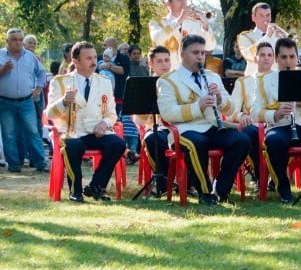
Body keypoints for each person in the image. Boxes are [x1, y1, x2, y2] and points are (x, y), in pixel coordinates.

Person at [157, 34, 249, 205]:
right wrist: (198, 106)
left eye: (202, 53)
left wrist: (220, 99)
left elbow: (230, 109)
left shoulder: (212, 76)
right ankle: (205, 192)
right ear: (181, 53)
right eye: (195, 53)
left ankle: (220, 190)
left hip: (211, 126)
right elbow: (168, 113)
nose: (200, 57)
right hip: (185, 129)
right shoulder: (168, 80)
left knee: (242, 140)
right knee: (196, 143)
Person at [252, 37, 301, 204]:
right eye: (283, 57)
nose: (288, 61)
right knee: (273, 142)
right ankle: (284, 189)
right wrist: (275, 114)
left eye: (292, 57)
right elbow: (254, 113)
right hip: (279, 125)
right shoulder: (264, 80)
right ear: (276, 58)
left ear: (297, 57)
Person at [45, 41, 125, 201]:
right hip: (72, 132)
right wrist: (63, 102)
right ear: (75, 61)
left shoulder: (104, 82)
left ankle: (96, 186)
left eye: (95, 57)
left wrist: (105, 123)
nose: (94, 61)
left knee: (118, 144)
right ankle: (76, 191)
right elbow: (50, 114)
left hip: (96, 131)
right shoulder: (60, 82)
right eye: (88, 58)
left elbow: (111, 113)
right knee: (74, 146)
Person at [0, 28, 49, 173]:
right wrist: (3, 70)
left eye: (20, 40)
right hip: (5, 102)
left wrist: (39, 89)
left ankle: (40, 163)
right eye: (14, 40)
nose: (18, 43)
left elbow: (41, 73)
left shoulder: (30, 56)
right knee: (9, 134)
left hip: (27, 101)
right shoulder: (0, 55)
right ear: (7, 41)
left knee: (33, 132)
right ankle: (14, 165)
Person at [230, 41, 277, 182]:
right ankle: (260, 175)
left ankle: (274, 176)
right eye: (262, 55)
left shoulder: (280, 79)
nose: (266, 58)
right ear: (255, 59)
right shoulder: (243, 82)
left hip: (275, 123)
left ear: (274, 59)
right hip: (254, 124)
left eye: (269, 55)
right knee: (248, 133)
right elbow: (231, 111)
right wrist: (241, 115)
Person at [132, 46, 173, 189]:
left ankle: (188, 182)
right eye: (159, 61)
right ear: (151, 64)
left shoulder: (178, 82)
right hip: (156, 128)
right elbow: (138, 121)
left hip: (178, 127)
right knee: (153, 139)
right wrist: (150, 98)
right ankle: (165, 182)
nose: (164, 65)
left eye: (167, 60)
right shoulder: (145, 86)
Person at [148, 0, 217, 70]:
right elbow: (157, 39)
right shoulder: (157, 23)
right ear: (168, 5)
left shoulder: (194, 24)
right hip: (167, 74)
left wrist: (205, 26)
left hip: (189, 74)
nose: (183, 2)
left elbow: (210, 46)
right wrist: (179, 20)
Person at [236, 2, 287, 77]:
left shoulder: (277, 35)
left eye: (268, 15)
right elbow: (249, 54)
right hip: (254, 79)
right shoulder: (245, 36)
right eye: (261, 16)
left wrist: (285, 39)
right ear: (253, 17)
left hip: (276, 78)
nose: (265, 19)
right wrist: (267, 36)